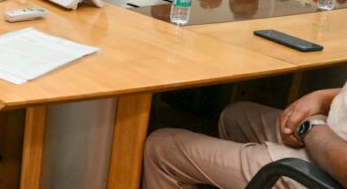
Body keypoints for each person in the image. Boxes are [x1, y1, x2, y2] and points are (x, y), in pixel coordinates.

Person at [143, 84, 347, 188]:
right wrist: (323, 97)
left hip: (329, 168)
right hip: (331, 134)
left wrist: (311, 127)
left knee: (161, 148)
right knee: (233, 117)